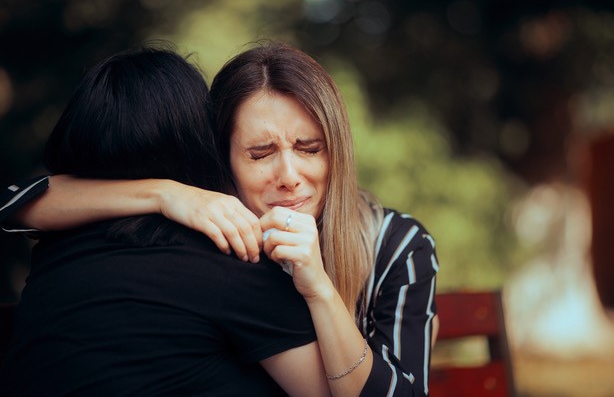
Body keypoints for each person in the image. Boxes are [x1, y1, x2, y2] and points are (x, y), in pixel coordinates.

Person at [1, 43, 439, 396]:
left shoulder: (393, 244)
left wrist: (320, 288)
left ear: (337, 151)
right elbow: (14, 202)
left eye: (309, 148)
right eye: (260, 154)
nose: (289, 177)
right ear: (220, 157)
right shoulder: (220, 251)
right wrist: (166, 194)